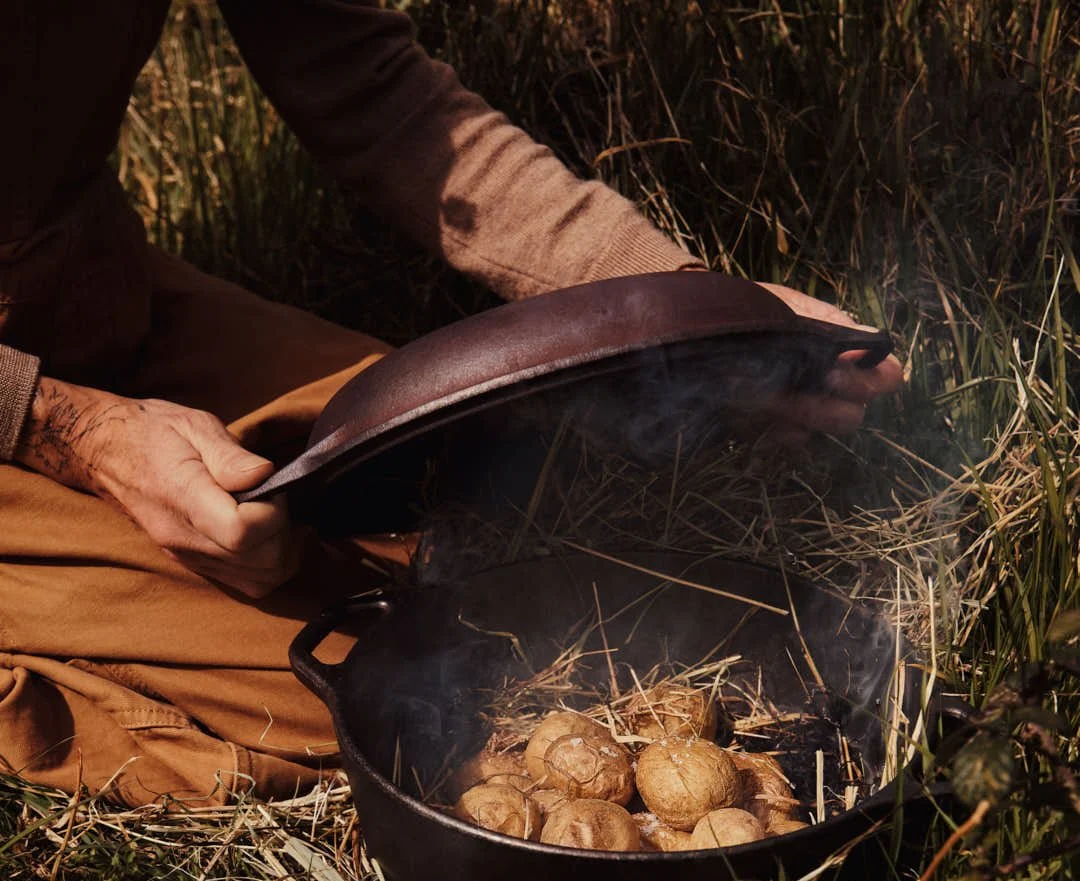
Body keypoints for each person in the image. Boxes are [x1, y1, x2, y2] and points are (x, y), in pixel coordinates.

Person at [0, 0, 901, 808]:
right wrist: (67, 426)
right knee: (359, 702)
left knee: (487, 500)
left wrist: (695, 311)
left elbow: (377, 90)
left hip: (98, 290)